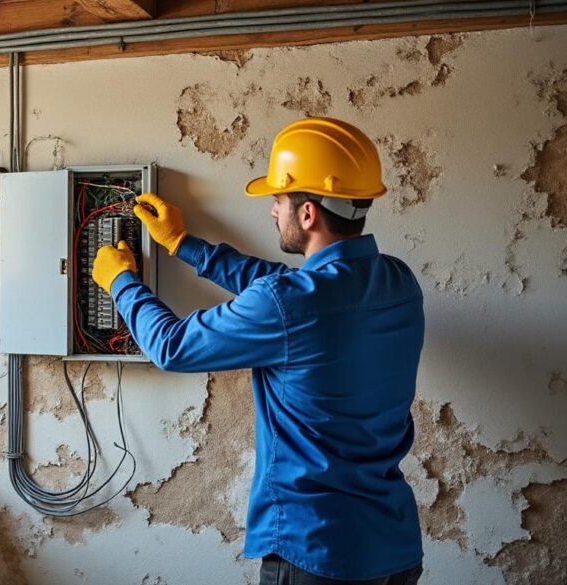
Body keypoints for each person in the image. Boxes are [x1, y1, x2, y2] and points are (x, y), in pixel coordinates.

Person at [92, 118, 425, 584]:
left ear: (307, 213)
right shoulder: (399, 281)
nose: (272, 210)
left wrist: (120, 282)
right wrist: (183, 244)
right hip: (394, 548)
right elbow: (285, 289)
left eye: (279, 199)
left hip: (317, 554)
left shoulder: (290, 302)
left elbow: (171, 347)